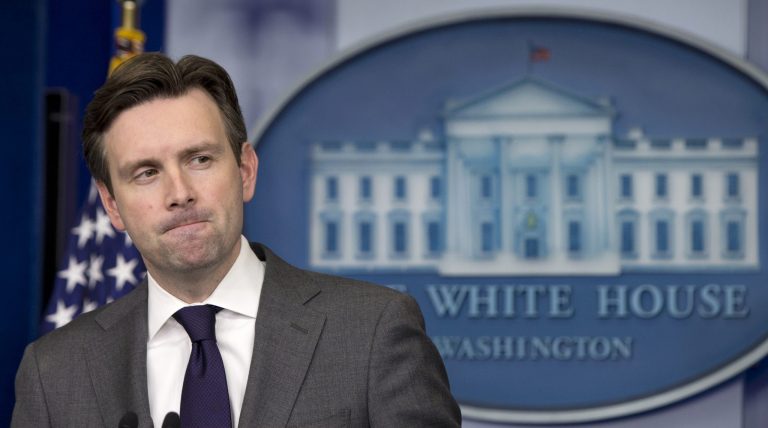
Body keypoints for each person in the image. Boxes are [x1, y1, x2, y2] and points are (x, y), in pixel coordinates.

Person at [12, 53, 461, 427]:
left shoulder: (372, 331)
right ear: (112, 205)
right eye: (146, 173)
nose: (179, 193)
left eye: (200, 159)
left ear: (245, 170)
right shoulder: (55, 373)